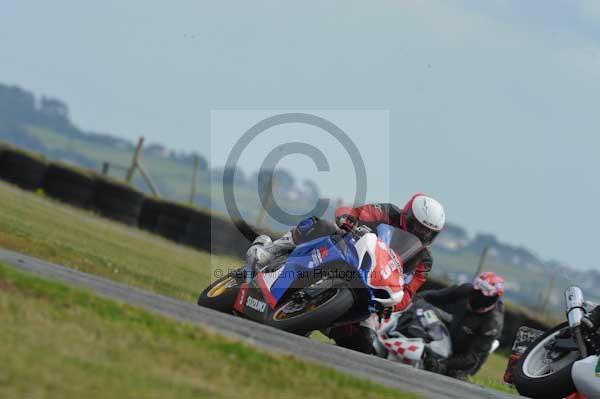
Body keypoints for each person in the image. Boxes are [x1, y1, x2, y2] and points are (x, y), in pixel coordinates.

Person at [246, 193, 446, 353]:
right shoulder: (387, 212)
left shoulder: (424, 260)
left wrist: (391, 306)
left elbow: (408, 293)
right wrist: (348, 219)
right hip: (347, 253)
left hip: (372, 289)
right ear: (407, 215)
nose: (422, 234)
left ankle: (310, 325)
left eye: (428, 232)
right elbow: (352, 211)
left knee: (363, 343)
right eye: (418, 227)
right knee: (321, 226)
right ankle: (271, 252)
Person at [417, 271, 505, 379]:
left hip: (466, 358)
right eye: (476, 288)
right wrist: (412, 300)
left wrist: (444, 363)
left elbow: (472, 358)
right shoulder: (466, 290)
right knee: (426, 310)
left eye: (482, 292)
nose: (477, 294)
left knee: (448, 373)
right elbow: (433, 296)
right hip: (454, 327)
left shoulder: (492, 323)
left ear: (493, 297)